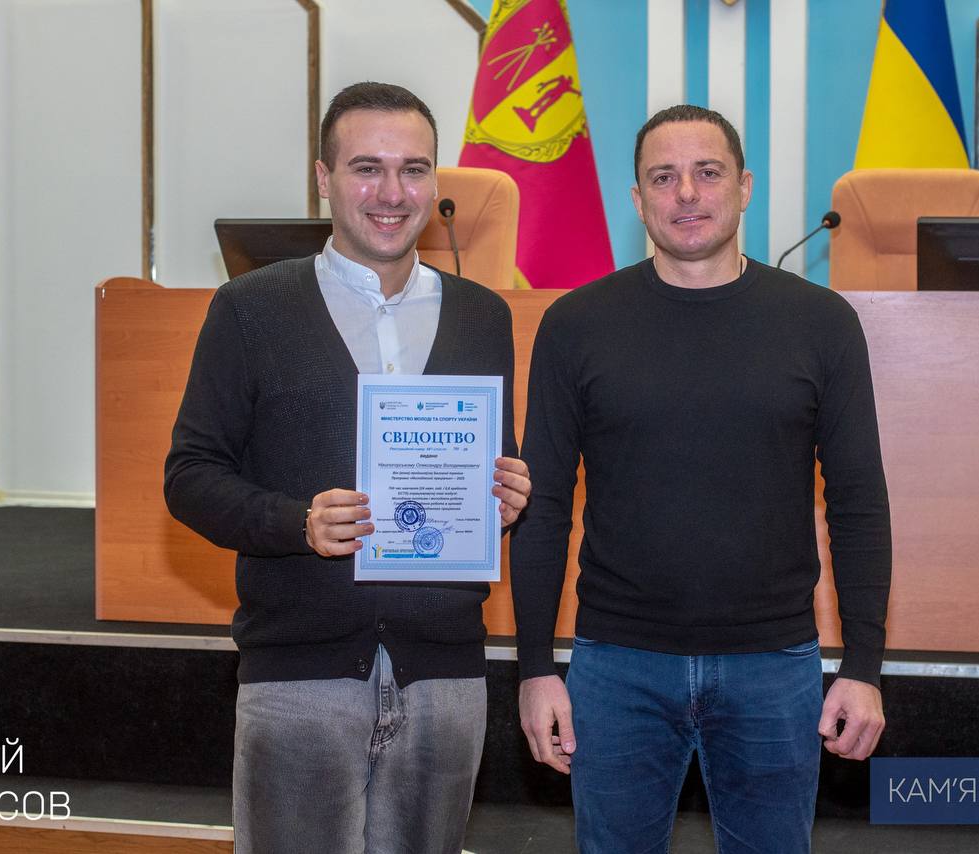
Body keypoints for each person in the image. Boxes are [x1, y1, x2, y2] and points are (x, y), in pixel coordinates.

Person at [509, 104, 891, 853]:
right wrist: (533, 668)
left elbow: (858, 504)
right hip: (615, 667)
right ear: (637, 199)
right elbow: (542, 505)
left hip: (774, 667)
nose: (686, 192)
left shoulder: (822, 323)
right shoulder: (575, 324)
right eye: (663, 177)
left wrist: (864, 665)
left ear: (744, 187)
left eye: (707, 172)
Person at [164, 81, 531, 854]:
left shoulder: (483, 316)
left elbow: (486, 473)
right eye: (368, 168)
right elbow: (190, 475)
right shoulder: (249, 309)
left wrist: (504, 497)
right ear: (324, 179)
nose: (392, 193)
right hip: (300, 675)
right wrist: (295, 522)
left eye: (414, 169)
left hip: (445, 676)